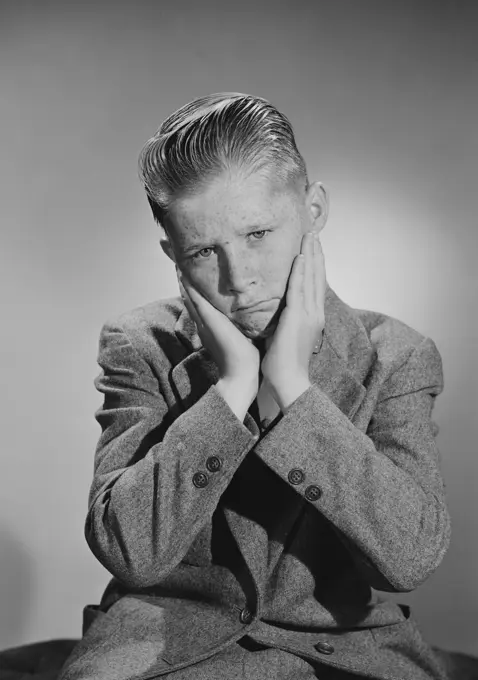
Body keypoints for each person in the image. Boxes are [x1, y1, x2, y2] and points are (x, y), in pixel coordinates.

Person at [58, 93, 451, 680]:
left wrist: (293, 387)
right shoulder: (138, 343)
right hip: (167, 647)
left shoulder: (397, 356)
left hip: (341, 653)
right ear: (172, 255)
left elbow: (409, 560)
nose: (239, 279)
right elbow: (130, 553)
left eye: (258, 233)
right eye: (202, 252)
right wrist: (232, 389)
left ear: (313, 210)